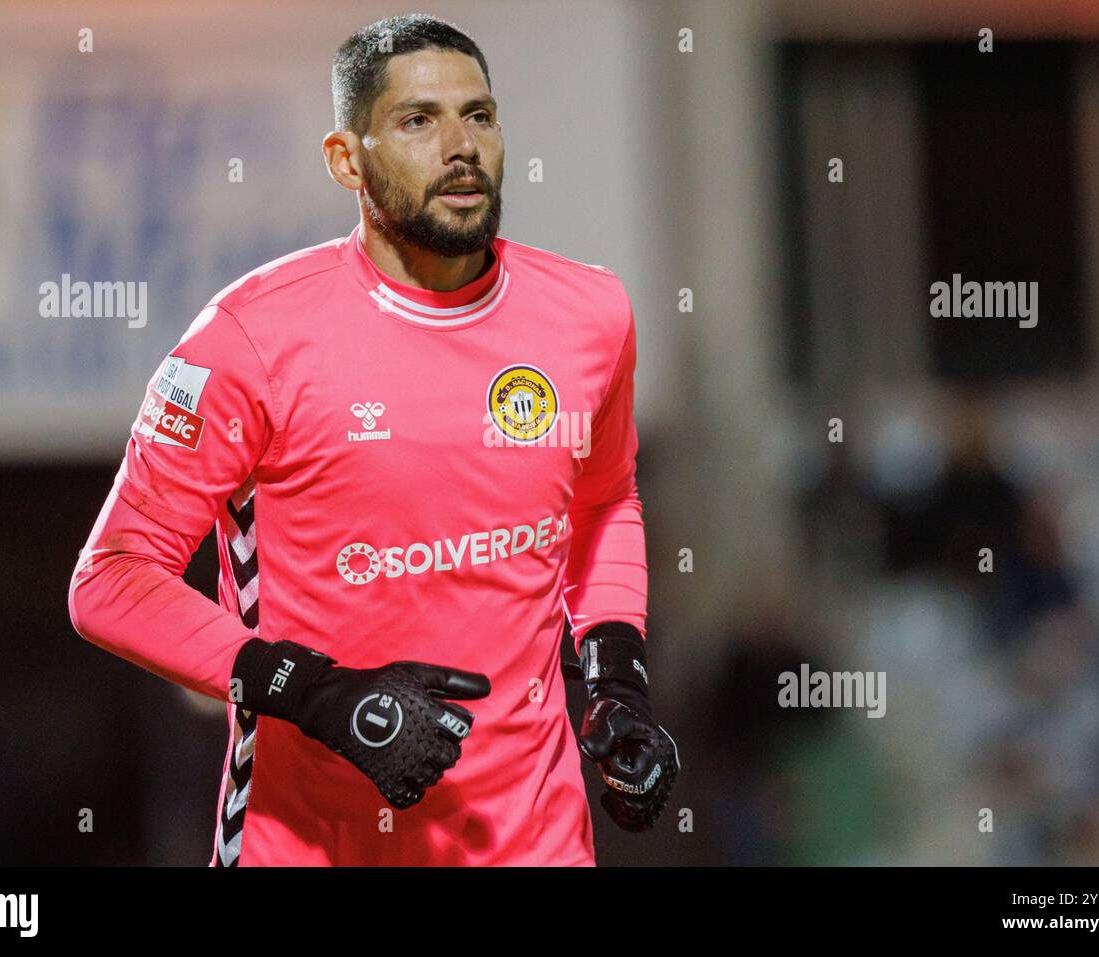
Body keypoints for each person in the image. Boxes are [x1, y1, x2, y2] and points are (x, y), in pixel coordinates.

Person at [68, 13, 677, 866]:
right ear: (346, 160)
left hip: (534, 845)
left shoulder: (591, 315)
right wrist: (315, 693)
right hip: (313, 843)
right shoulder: (249, 339)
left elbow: (604, 499)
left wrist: (617, 681)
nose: (460, 146)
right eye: (418, 121)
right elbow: (112, 579)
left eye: (480, 115)